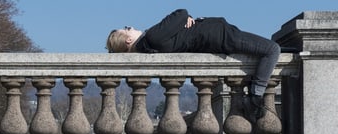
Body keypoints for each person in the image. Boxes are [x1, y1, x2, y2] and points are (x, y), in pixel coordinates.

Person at [106, 9, 280, 119]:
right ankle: (255, 96)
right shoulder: (152, 37)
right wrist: (185, 17)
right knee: (272, 49)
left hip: (220, 34)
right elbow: (180, 13)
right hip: (221, 36)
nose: (131, 27)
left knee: (272, 49)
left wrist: (184, 20)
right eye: (127, 28)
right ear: (128, 40)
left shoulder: (149, 43)